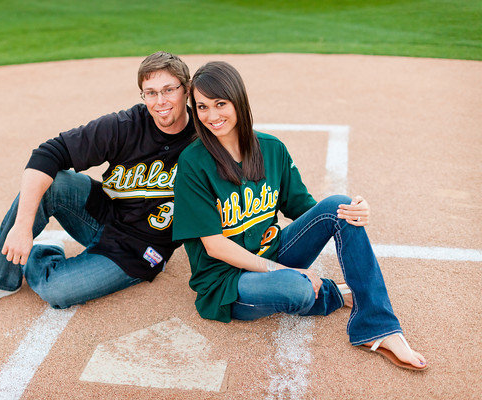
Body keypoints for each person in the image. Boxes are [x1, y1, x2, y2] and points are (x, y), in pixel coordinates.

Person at [172, 61, 428, 371]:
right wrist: (282, 271)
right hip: (226, 280)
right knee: (297, 289)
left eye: (220, 103)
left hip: (273, 250)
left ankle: (379, 328)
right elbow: (215, 247)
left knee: (339, 205)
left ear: (238, 100)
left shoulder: (271, 148)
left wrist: (351, 213)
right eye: (202, 107)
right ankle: (335, 293)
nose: (212, 116)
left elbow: (304, 208)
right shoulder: (193, 163)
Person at [0, 51, 194, 312]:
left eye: (169, 90)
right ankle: (0, 279)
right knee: (54, 183)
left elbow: (241, 155)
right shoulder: (126, 125)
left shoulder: (204, 140)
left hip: (139, 250)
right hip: (103, 216)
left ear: (187, 89)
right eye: (150, 92)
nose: (160, 101)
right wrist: (23, 227)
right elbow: (48, 153)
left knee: (56, 289)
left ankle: (41, 254)